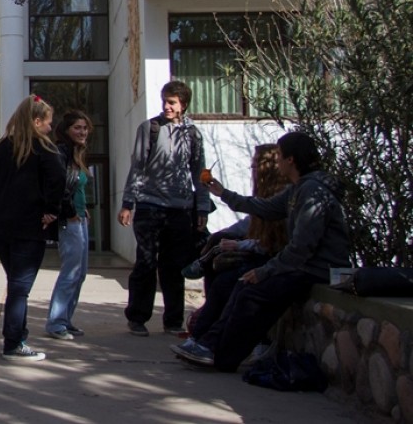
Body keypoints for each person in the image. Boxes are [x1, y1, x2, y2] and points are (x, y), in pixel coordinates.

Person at [171, 132, 351, 371]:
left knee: (253, 292)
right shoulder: (299, 189)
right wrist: (223, 193)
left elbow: (301, 248)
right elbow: (264, 208)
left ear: (291, 161)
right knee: (243, 285)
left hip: (317, 269)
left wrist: (265, 271)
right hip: (303, 266)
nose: (277, 162)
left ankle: (221, 355)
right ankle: (209, 346)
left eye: (279, 156)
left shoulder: (313, 192)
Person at [118, 80, 214, 337]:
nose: (167, 106)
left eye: (172, 102)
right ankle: (137, 317)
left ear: (183, 104)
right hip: (149, 206)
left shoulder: (193, 134)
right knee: (146, 262)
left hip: (180, 210)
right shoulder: (149, 128)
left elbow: (199, 172)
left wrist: (202, 208)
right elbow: (137, 167)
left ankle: (173, 320)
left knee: (173, 267)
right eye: (165, 101)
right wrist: (128, 203)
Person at [0, 95, 67, 363]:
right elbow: (58, 180)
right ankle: (14, 343)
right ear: (36, 121)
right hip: (27, 225)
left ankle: (17, 335)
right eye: (48, 123)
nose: (49, 128)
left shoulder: (0, 149)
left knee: (16, 283)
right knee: (20, 287)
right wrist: (51, 211)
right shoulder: (45, 149)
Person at [186, 143, 289, 342]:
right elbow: (250, 220)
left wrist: (240, 245)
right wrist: (223, 234)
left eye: (254, 166)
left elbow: (274, 243)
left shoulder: (283, 197)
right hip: (261, 254)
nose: (251, 171)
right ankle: (201, 332)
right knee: (218, 253)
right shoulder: (265, 195)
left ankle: (204, 338)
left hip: (272, 261)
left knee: (226, 283)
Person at [45, 110, 93, 340]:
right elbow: (60, 187)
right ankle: (56, 323)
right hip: (69, 220)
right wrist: (71, 212)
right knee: (70, 272)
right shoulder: (61, 152)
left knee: (80, 273)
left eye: (84, 128)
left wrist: (83, 211)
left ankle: (66, 319)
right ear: (66, 131)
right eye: (77, 128)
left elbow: (78, 187)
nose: (82, 131)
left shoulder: (78, 154)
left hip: (80, 218)